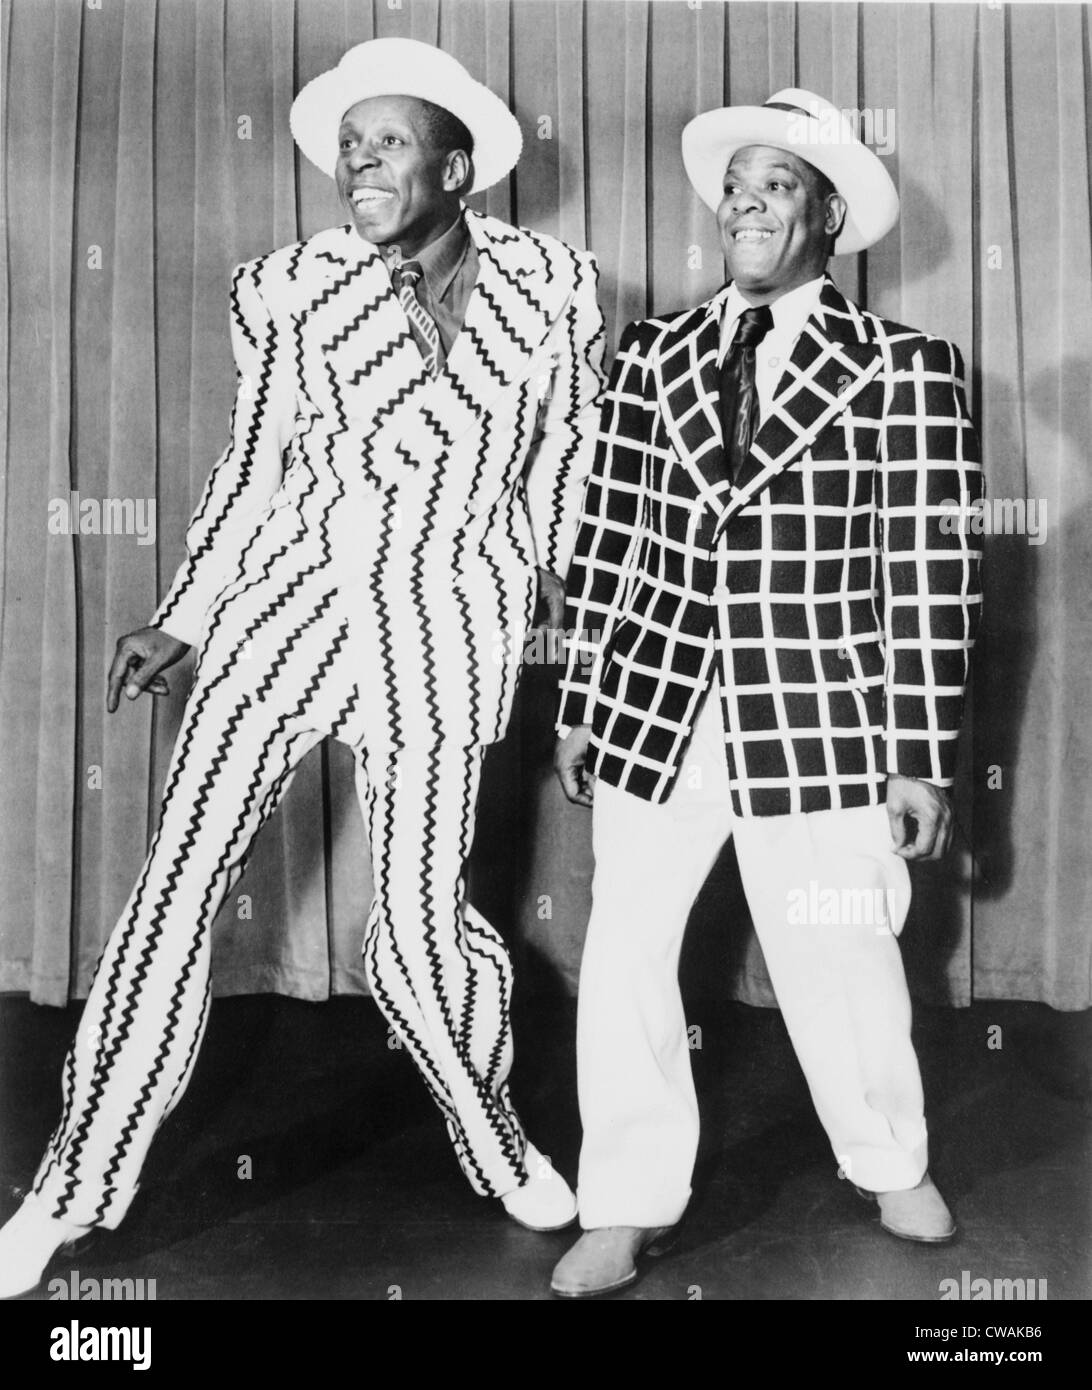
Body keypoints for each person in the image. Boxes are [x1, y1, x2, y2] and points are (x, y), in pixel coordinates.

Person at [0, 37, 605, 1299]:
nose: (357, 165)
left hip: (447, 627)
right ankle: (68, 1189)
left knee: (417, 934)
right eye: (347, 147)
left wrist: (594, 643)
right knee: (174, 892)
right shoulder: (283, 286)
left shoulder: (555, 287)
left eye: (387, 142)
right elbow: (254, 464)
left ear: (457, 163)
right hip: (285, 614)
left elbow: (564, 481)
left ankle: (490, 1132)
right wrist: (187, 612)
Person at [551, 89, 983, 1298]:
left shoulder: (906, 368)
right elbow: (611, 535)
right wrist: (584, 694)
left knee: (840, 950)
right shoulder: (651, 353)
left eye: (776, 184)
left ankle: (890, 1161)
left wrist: (919, 756)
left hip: (821, 716)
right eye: (733, 184)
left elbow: (931, 568)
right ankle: (625, 1202)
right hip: (657, 703)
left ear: (830, 215)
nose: (743, 201)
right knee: (628, 951)